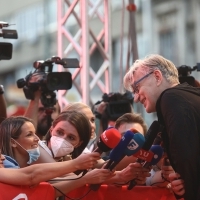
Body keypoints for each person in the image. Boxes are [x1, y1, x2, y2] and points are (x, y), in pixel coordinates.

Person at [123, 54, 200, 200]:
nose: (136, 97)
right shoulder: (191, 96)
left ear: (157, 76)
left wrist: (189, 187)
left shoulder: (170, 98)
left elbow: (187, 157)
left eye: (137, 88)